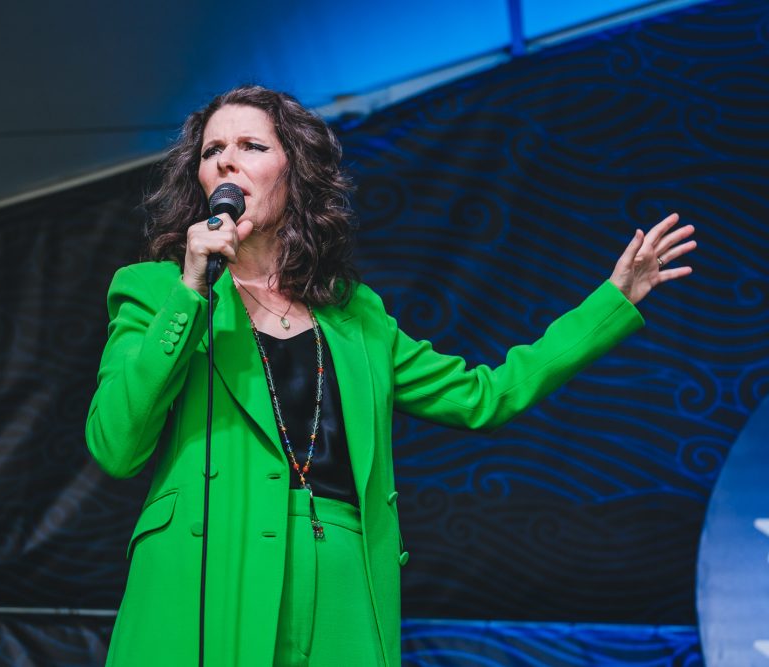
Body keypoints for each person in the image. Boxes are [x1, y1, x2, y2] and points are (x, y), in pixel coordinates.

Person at [85, 85, 695, 667]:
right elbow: (117, 443)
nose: (226, 164)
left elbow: (486, 396)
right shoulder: (156, 291)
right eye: (212, 151)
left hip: (345, 574)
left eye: (251, 146)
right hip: (211, 562)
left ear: (294, 171)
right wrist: (192, 289)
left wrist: (612, 303)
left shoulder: (357, 315)